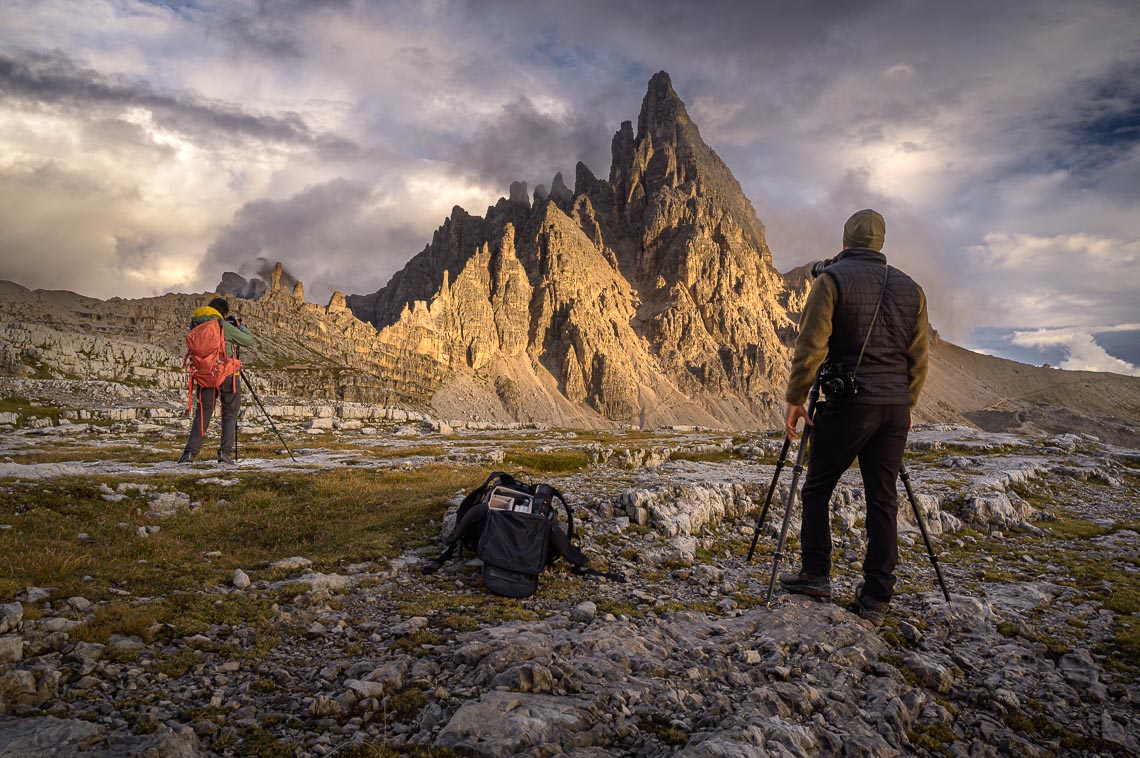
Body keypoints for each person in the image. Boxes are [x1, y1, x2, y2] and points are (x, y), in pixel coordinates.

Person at [778, 209, 929, 625]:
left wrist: (795, 397)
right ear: (880, 243)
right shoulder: (912, 289)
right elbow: (919, 359)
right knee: (883, 498)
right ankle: (877, 597)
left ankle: (816, 574)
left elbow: (811, 347)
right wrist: (908, 404)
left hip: (850, 405)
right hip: (895, 408)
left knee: (817, 486)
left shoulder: (831, 281)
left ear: (845, 241)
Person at [179, 297, 253, 465]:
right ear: (224, 312)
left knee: (203, 413)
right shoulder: (223, 326)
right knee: (229, 414)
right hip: (226, 375)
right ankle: (224, 454)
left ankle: (189, 454)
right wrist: (240, 326)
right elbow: (248, 341)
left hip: (204, 375)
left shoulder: (196, 325)